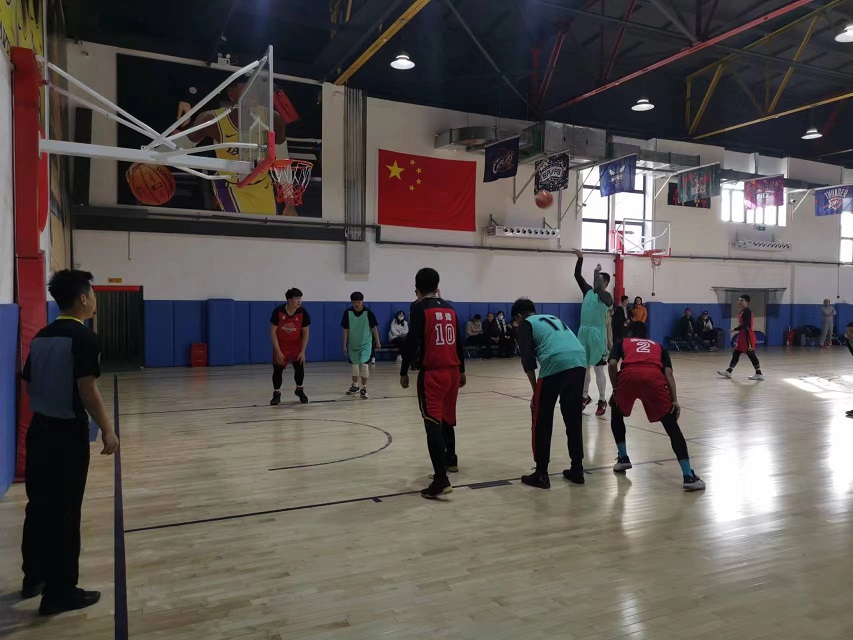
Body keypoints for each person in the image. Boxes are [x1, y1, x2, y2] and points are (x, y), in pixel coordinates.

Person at [20, 270, 120, 615]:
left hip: (38, 431)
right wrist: (107, 429)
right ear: (82, 298)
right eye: (92, 294)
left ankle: (33, 577)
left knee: (38, 506)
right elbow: (87, 389)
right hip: (66, 436)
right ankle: (60, 592)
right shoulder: (85, 338)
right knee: (65, 511)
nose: (94, 299)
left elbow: (29, 384)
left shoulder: (41, 336)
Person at [607, 321, 705, 492]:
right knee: (671, 426)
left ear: (629, 333)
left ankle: (623, 458)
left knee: (616, 410)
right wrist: (674, 400)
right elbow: (668, 373)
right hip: (654, 377)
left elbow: (612, 364)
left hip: (629, 375)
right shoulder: (658, 346)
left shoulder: (623, 342)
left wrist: (616, 388)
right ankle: (688, 475)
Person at [400, 268, 466, 499]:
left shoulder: (419, 308)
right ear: (438, 287)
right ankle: (451, 460)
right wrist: (463, 370)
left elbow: (412, 341)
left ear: (417, 288)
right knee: (446, 417)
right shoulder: (450, 308)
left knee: (432, 423)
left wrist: (404, 371)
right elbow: (459, 341)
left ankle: (441, 480)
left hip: (434, 374)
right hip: (453, 372)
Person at [188, 79, 297, 216]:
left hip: (262, 184)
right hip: (231, 185)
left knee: (266, 229)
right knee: (245, 226)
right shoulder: (212, 119)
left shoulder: (273, 118)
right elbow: (179, 147)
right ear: (231, 94)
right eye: (247, 90)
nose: (252, 94)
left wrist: (289, 202)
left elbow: (283, 161)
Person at [512, 298, 587, 489]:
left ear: (519, 316)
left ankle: (541, 473)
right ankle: (577, 469)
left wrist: (535, 392)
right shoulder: (551, 317)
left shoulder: (525, 325)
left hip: (556, 361)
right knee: (573, 419)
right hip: (579, 360)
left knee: (542, 420)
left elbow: (528, 361)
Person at [573, 249, 613, 417]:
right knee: (583, 367)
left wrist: (596, 272)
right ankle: (584, 396)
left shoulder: (607, 297)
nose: (595, 281)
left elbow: (598, 288)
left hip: (597, 334)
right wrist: (580, 259)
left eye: (599, 279)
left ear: (605, 283)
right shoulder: (587, 291)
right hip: (583, 332)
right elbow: (577, 276)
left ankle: (602, 399)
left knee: (598, 369)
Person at [269, 288, 310, 406]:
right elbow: (272, 333)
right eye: (296, 298)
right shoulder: (278, 311)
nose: (299, 301)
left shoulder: (303, 312)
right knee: (277, 370)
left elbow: (306, 333)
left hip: (296, 346)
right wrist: (277, 351)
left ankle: (299, 390)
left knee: (299, 368)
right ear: (289, 300)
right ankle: (276, 393)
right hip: (281, 346)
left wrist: (303, 351)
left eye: (300, 298)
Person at [341, 292, 381, 399]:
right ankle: (355, 386)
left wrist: (378, 341)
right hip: (353, 344)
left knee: (364, 365)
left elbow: (374, 328)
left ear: (362, 301)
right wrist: (344, 345)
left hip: (365, 344)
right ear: (351, 302)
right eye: (354, 302)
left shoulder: (368, 313)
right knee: (354, 366)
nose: (357, 304)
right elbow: (345, 330)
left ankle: (364, 388)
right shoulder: (348, 313)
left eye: (359, 302)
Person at [718, 294, 764, 381]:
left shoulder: (747, 312)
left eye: (741, 300)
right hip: (742, 335)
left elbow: (746, 325)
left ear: (747, 302)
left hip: (747, 336)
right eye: (739, 300)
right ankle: (729, 371)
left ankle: (759, 373)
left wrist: (735, 329)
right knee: (736, 353)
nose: (739, 302)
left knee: (751, 354)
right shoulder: (742, 311)